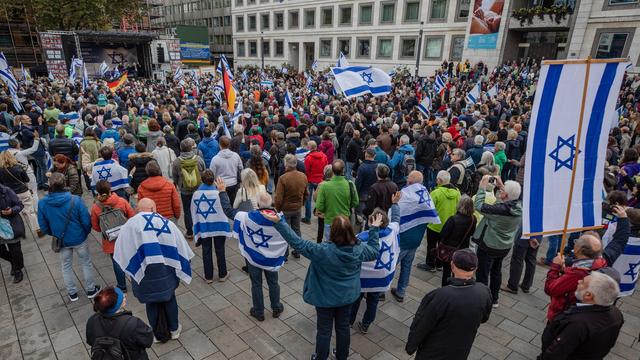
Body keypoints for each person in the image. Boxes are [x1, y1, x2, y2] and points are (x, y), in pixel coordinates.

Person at [263, 210, 384, 360]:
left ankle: (321, 357)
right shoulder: (359, 249)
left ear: (332, 232)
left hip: (324, 298)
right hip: (347, 297)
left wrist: (279, 222)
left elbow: (297, 243)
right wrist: (374, 228)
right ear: (350, 232)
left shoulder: (321, 251)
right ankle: (341, 356)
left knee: (324, 331)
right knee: (343, 328)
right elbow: (374, 251)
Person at [113, 198, 195, 342]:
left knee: (151, 303)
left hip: (144, 274)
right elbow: (182, 248)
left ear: (139, 209)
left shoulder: (129, 226)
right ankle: (174, 329)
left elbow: (122, 250)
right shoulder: (167, 224)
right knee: (169, 298)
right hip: (165, 271)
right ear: (153, 209)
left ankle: (157, 334)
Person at [544, 204, 630, 321]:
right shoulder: (604, 260)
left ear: (578, 249)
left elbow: (550, 289)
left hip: (563, 317)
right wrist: (624, 218)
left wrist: (554, 267)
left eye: (576, 242)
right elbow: (620, 241)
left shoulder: (576, 273)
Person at [406, 249, 493, 360]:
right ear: (475, 268)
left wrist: (411, 346)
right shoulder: (484, 291)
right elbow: (484, 318)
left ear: (452, 265)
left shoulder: (439, 296)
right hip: (461, 351)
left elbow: (421, 325)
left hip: (432, 353)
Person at [38, 173, 99, 301]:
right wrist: (85, 232)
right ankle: (91, 289)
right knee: (86, 263)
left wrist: (54, 233)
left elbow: (43, 226)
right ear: (64, 183)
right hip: (79, 238)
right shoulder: (75, 200)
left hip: (61, 240)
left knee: (66, 266)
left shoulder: (43, 203)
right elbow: (86, 221)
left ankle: (72, 293)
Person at [539, 272, 623, 360]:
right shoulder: (617, 314)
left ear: (588, 295)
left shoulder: (577, 324)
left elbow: (555, 354)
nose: (578, 281)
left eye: (582, 282)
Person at [351, 195, 401, 333]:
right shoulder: (392, 230)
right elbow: (396, 218)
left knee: (356, 299)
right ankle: (366, 325)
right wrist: (395, 204)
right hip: (382, 275)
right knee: (373, 301)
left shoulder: (361, 238)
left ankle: (349, 321)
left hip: (363, 277)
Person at [474, 175, 522, 307]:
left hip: (489, 245)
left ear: (505, 195)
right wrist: (502, 186)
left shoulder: (501, 211)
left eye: (501, 191)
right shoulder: (518, 207)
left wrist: (482, 187)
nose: (499, 192)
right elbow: (506, 199)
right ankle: (494, 298)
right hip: (504, 246)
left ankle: (481, 300)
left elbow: (478, 205)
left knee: (482, 273)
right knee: (496, 270)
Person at [90, 180, 135, 292]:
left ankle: (122, 286)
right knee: (130, 259)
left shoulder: (96, 207)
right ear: (110, 190)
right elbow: (132, 217)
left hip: (110, 241)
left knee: (117, 262)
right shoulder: (121, 201)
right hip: (125, 238)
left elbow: (95, 227)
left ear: (98, 192)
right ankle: (136, 282)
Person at [86, 286, 154, 360]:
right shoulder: (132, 323)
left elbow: (90, 341)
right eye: (122, 297)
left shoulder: (92, 320)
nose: (125, 295)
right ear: (117, 305)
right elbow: (148, 340)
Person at [190, 170, 230, 283]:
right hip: (219, 225)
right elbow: (227, 208)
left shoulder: (196, 194)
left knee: (206, 250)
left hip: (204, 226)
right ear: (214, 180)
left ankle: (208, 276)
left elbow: (193, 211)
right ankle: (223, 274)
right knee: (220, 249)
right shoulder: (219, 193)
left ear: (202, 180)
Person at [417, 171, 461, 272]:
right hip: (449, 225)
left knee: (432, 246)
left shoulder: (436, 193)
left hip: (434, 225)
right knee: (443, 245)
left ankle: (430, 264)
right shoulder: (457, 192)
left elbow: (428, 208)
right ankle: (440, 263)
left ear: (439, 180)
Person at [315, 160, 359, 241]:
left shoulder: (324, 186)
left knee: (330, 246)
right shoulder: (350, 184)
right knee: (343, 246)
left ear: (332, 171)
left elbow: (319, 207)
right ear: (343, 170)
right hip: (344, 221)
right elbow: (355, 202)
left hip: (329, 221)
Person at [274, 154, 308, 258]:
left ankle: (285, 254)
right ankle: (298, 251)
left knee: (285, 231)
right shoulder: (303, 176)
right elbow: (306, 193)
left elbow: (278, 198)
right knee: (296, 230)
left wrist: (278, 209)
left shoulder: (283, 178)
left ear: (286, 165)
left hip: (285, 209)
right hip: (297, 208)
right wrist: (301, 204)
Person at [438, 195, 477, 287]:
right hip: (462, 248)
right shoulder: (473, 219)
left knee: (447, 271)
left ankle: (445, 288)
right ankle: (456, 286)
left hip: (449, 249)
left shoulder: (453, 219)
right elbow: (471, 233)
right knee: (458, 269)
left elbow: (443, 234)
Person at [0, 151, 41, 237]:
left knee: (17, 214)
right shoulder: (18, 167)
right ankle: (38, 229)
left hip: (10, 195)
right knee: (30, 212)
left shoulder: (0, 171)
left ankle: (21, 232)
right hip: (23, 192)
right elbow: (26, 180)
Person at [172, 138, 206, 241]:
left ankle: (190, 232)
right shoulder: (198, 159)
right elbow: (204, 171)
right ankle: (201, 229)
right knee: (200, 209)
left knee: (187, 211)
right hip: (198, 189)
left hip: (185, 190)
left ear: (181, 148)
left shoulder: (177, 161)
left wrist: (178, 185)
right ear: (191, 148)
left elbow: (174, 176)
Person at [0, 184, 25, 283]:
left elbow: (19, 205)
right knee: (1, 251)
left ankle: (18, 270)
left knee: (15, 250)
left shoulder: (6, 191)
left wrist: (11, 210)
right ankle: (14, 262)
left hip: (11, 226)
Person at [210, 136, 243, 204]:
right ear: (229, 144)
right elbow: (241, 168)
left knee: (222, 206)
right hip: (234, 184)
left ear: (219, 145)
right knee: (233, 205)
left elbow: (211, 174)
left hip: (220, 186)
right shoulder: (236, 155)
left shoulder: (215, 159)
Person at [303, 140, 328, 224]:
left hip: (310, 180)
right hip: (320, 180)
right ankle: (320, 215)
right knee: (320, 199)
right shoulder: (324, 156)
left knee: (308, 200)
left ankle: (307, 218)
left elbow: (306, 170)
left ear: (309, 147)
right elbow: (326, 168)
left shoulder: (308, 158)